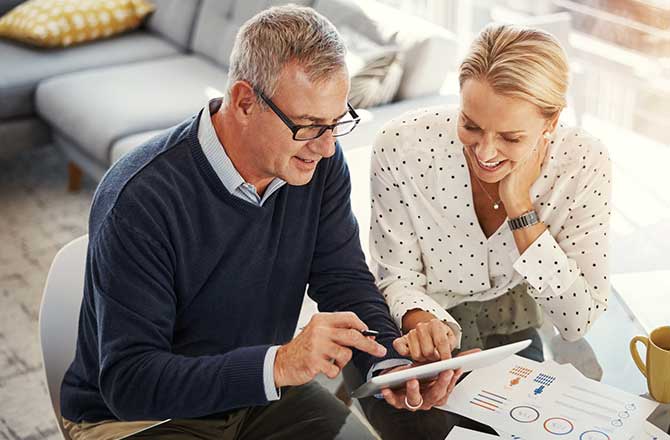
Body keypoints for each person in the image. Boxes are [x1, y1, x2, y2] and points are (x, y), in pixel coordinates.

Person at [59, 6, 459, 440]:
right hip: (143, 417)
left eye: (336, 122)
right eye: (307, 126)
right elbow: (130, 383)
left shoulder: (315, 165)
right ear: (244, 101)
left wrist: (388, 365)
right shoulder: (140, 199)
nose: (326, 148)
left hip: (259, 393)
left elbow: (342, 278)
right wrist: (281, 364)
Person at [361, 23, 613, 439]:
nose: (485, 152)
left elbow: (575, 321)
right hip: (420, 328)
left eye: (512, 137)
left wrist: (519, 206)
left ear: (551, 122)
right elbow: (396, 275)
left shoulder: (583, 164)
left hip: (510, 327)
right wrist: (425, 327)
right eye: (471, 125)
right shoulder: (402, 146)